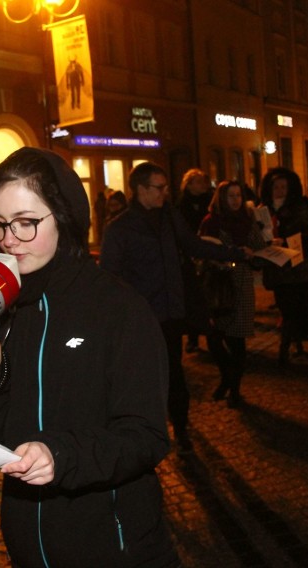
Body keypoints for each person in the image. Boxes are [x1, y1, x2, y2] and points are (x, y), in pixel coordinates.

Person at [0, 147, 180, 567]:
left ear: (66, 216)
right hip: (28, 547)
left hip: (115, 549)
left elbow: (145, 437)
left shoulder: (119, 308)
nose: (8, 239)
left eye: (26, 223)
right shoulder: (4, 306)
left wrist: (62, 455)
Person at [100, 162, 246, 452]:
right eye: (159, 187)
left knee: (174, 373)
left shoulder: (169, 216)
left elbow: (193, 245)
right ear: (141, 189)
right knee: (143, 378)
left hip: (171, 314)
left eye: (165, 187)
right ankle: (145, 430)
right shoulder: (119, 227)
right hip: (141, 318)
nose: (164, 193)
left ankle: (180, 428)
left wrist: (234, 253)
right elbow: (109, 277)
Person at [198, 180, 264, 407]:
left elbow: (259, 247)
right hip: (217, 283)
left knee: (237, 340)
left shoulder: (248, 220)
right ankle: (226, 377)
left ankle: (234, 388)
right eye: (231, 196)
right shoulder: (211, 221)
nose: (235, 200)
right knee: (215, 337)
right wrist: (222, 256)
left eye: (238, 195)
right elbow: (202, 249)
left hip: (241, 283)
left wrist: (254, 252)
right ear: (221, 198)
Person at [259, 168, 308, 363]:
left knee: (296, 306)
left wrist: (288, 240)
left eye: (284, 187)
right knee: (284, 306)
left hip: (296, 264)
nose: (280, 191)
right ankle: (294, 341)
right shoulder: (263, 209)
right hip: (276, 265)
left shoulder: (299, 207)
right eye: (276, 187)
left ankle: (286, 345)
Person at [176, 168, 214, 353]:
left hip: (207, 250)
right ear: (189, 184)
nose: (202, 185)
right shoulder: (182, 205)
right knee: (192, 295)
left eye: (203, 182)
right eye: (198, 182)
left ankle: (212, 330)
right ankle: (193, 337)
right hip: (191, 253)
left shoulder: (210, 202)